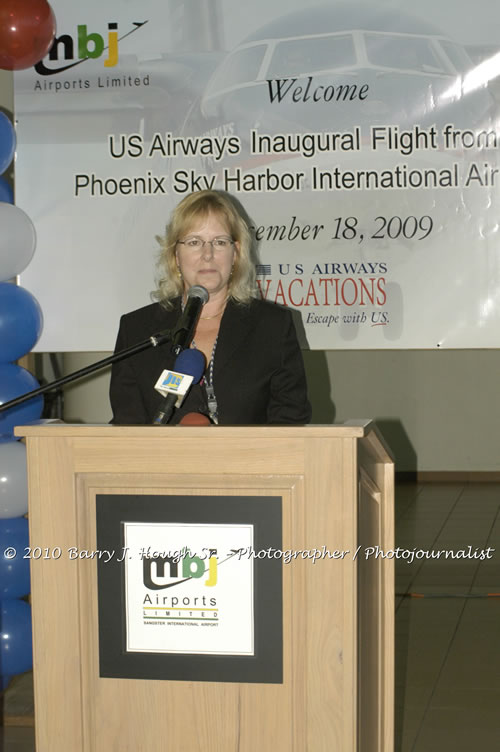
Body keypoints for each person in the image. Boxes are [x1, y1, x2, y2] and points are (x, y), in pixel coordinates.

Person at [109, 190, 311, 425]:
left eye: (220, 242)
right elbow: (126, 426)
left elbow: (291, 423)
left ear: (235, 253)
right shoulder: (137, 331)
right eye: (194, 242)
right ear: (175, 255)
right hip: (160, 461)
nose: (208, 254)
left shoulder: (273, 327)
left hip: (251, 461)